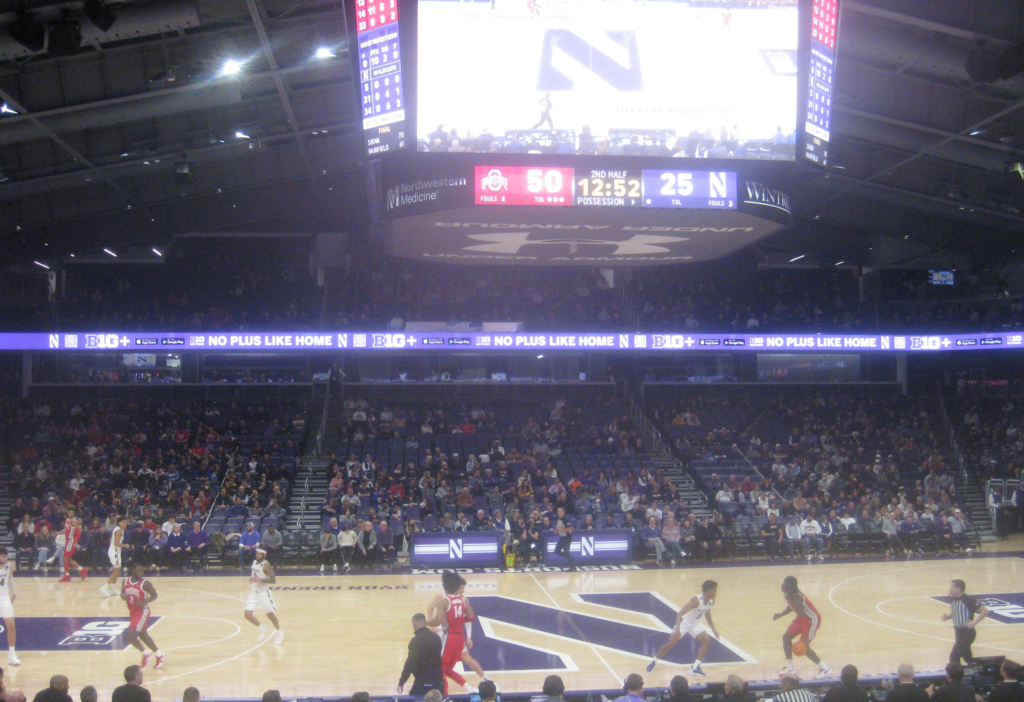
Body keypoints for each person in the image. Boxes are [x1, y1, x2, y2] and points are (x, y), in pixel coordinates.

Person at [426, 570, 477, 694]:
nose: (462, 589)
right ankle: (467, 688)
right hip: (453, 636)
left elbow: (439, 621)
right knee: (446, 668)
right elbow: (471, 618)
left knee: (441, 669)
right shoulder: (453, 598)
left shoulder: (452, 600)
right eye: (461, 587)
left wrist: (425, 623)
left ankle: (446, 695)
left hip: (450, 637)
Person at [774, 575, 830, 679]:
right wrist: (781, 614)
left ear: (790, 586)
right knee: (786, 637)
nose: (782, 584)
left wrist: (804, 638)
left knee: (803, 646)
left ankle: (824, 668)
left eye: (784, 582)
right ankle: (790, 667)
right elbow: (791, 606)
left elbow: (802, 617)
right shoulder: (787, 594)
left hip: (811, 620)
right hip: (802, 618)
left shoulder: (797, 597)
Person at [121, 564, 166, 669]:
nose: (141, 574)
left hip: (142, 612)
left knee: (129, 635)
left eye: (142, 572)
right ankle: (160, 655)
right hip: (132, 612)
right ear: (133, 571)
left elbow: (155, 595)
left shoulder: (145, 583)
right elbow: (122, 593)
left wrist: (144, 601)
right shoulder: (125, 581)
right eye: (139, 571)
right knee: (143, 635)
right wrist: (123, 596)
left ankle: (145, 653)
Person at [398, 612, 445, 696]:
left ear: (414, 624)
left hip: (424, 682)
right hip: (439, 681)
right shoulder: (436, 638)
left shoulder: (415, 641)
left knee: (412, 698)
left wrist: (401, 682)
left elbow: (410, 664)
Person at [942, 579, 988, 664]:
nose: (950, 589)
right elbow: (957, 612)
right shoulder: (952, 599)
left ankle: (957, 676)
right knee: (967, 657)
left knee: (954, 657)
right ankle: (982, 668)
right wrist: (947, 617)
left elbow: (985, 611)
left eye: (952, 587)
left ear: (958, 589)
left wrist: (974, 623)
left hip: (967, 633)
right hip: (958, 633)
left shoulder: (969, 600)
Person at [245, 548, 283, 645]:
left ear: (264, 555)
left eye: (260, 554)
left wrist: (260, 580)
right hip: (254, 592)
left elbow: (273, 580)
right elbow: (255, 576)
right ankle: (262, 628)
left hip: (263, 593)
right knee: (247, 615)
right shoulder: (254, 562)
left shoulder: (266, 565)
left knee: (270, 614)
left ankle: (279, 632)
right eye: (257, 554)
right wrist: (252, 579)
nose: (258, 555)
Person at [0, 548, 20, 666]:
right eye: (2, 556)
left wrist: (14, 593)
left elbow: (10, 580)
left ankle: (12, 654)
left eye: (5, 556)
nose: (5, 559)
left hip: (3, 598)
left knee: (11, 626)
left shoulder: (9, 566)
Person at [101, 516, 127, 598]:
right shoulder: (119, 530)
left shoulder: (116, 529)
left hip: (113, 550)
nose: (125, 524)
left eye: (126, 522)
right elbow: (116, 543)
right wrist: (125, 545)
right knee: (117, 571)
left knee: (117, 571)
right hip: (115, 551)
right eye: (124, 522)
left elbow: (111, 540)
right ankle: (105, 587)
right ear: (119, 523)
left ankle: (113, 589)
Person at [58, 515, 88, 582]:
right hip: (69, 542)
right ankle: (82, 570)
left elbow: (77, 533)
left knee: (65, 558)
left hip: (70, 542)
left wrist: (75, 542)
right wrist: (58, 533)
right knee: (68, 559)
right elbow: (66, 531)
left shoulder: (75, 525)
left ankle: (67, 575)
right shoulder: (68, 522)